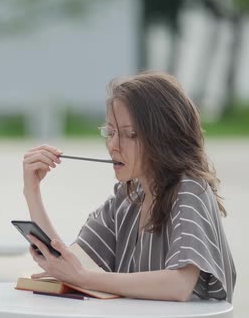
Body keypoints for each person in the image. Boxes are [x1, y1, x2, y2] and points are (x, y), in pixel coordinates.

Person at [22, 71, 236, 302]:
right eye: (110, 132)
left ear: (164, 137)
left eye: (129, 134)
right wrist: (32, 191)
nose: (113, 145)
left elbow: (179, 285)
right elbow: (74, 262)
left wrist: (82, 277)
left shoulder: (189, 191)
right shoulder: (127, 199)